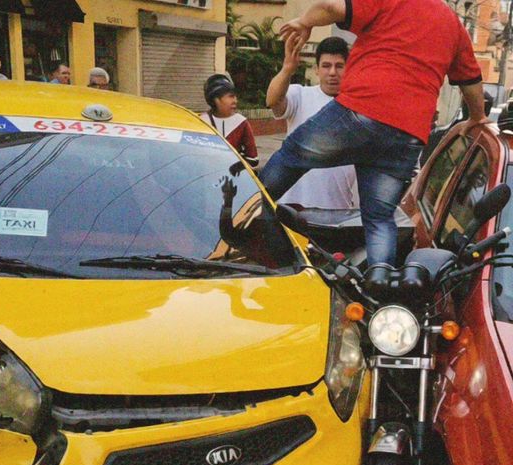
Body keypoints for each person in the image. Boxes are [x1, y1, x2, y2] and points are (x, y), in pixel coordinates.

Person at [263, 0, 485, 266]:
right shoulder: (454, 25)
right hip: (407, 135)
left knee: (292, 154)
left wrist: (304, 21)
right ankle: (380, 280)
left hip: (362, 111)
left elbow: (332, 8)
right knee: (379, 218)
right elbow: (471, 81)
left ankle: (247, 205)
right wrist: (476, 118)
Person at [265, 36, 358, 209]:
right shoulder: (299, 95)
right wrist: (287, 69)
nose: (332, 72)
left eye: (339, 66)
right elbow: (273, 101)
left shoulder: (359, 106)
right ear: (316, 69)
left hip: (337, 211)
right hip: (291, 210)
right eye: (326, 66)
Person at [200, 74, 258, 167]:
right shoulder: (202, 122)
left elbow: (253, 159)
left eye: (235, 97)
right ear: (216, 100)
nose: (235, 100)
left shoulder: (242, 123)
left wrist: (238, 166)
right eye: (230, 96)